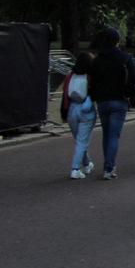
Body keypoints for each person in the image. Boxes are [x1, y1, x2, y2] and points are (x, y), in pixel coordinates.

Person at [87, 28, 135, 180]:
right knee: (114, 135)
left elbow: (92, 80)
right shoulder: (125, 58)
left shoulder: (97, 60)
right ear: (117, 41)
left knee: (106, 133)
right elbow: (134, 78)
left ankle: (108, 165)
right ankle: (109, 167)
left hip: (102, 100)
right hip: (119, 99)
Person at [60, 51, 97, 180]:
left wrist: (63, 112)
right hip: (86, 109)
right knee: (83, 140)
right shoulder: (90, 76)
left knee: (79, 140)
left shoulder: (70, 76)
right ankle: (75, 168)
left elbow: (65, 94)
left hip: (72, 109)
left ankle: (87, 164)